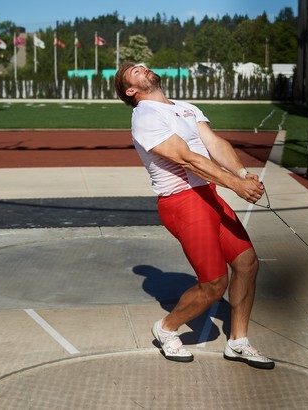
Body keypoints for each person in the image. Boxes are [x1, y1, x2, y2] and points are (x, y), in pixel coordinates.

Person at [114, 62, 274, 370]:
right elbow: (187, 158)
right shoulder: (145, 116)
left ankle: (238, 342)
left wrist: (242, 173)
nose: (144, 68)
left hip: (208, 195)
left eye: (144, 66)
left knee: (247, 263)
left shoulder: (186, 108)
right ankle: (166, 328)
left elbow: (213, 143)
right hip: (181, 202)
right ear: (130, 91)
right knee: (214, 284)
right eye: (135, 71)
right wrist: (236, 185)